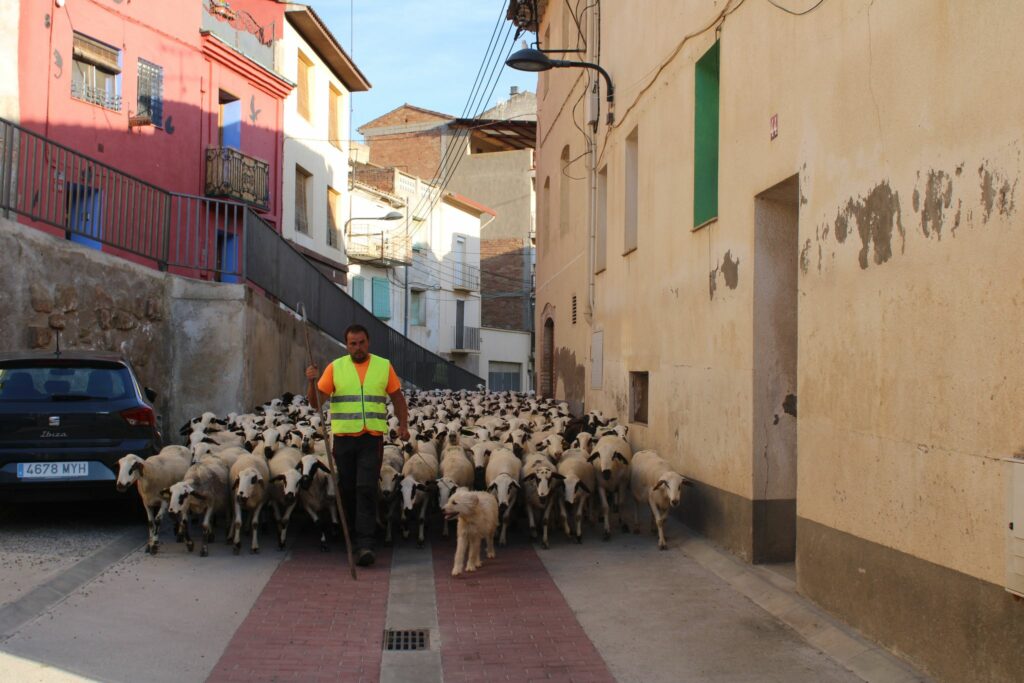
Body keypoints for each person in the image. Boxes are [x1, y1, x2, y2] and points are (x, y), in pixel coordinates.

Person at [305, 324, 410, 567]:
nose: (358, 347)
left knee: (365, 487)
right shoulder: (335, 367)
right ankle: (351, 535)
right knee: (348, 488)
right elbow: (315, 403)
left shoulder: (383, 366)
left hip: (371, 438)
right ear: (347, 345)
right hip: (343, 439)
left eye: (361, 342)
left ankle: (365, 544)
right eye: (353, 343)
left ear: (368, 342)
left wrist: (403, 425)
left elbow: (397, 398)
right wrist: (312, 381)